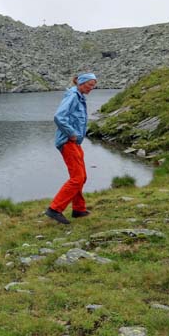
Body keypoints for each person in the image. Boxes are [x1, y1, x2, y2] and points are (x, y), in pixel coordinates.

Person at [45, 73, 98, 225]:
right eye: (89, 85)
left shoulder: (79, 96)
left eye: (93, 86)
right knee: (77, 178)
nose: (91, 88)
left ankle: (79, 209)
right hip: (68, 141)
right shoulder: (73, 96)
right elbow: (59, 117)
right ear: (81, 83)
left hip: (74, 143)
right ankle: (55, 209)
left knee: (82, 177)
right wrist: (72, 133)